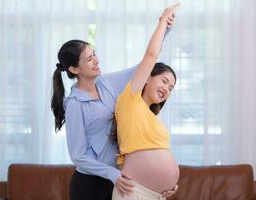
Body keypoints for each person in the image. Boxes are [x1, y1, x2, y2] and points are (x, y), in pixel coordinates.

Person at [50, 13, 174, 200]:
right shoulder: (75, 104)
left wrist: (164, 29)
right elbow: (79, 156)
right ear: (75, 69)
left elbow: (144, 65)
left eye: (95, 54)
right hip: (90, 184)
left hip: (117, 180)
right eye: (89, 59)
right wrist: (112, 174)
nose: (96, 60)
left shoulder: (107, 83)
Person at [112, 4, 180, 200]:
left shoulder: (152, 118)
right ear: (148, 78)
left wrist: (169, 186)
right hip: (134, 192)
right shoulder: (130, 100)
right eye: (164, 81)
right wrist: (162, 23)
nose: (167, 89)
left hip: (156, 195)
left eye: (171, 88)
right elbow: (151, 55)